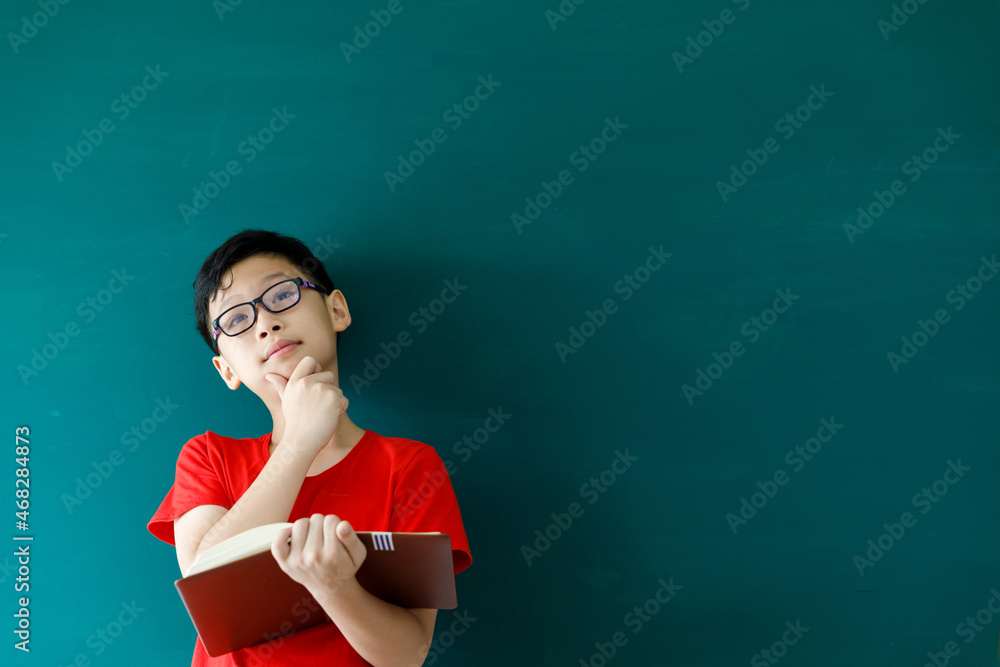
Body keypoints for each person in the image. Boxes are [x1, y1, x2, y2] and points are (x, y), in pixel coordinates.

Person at [147, 229, 472, 666]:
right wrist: (300, 441)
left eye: (281, 295)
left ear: (336, 309)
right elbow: (206, 582)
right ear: (226, 370)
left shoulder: (410, 466)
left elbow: (407, 655)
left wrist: (335, 585)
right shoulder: (209, 457)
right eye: (236, 321)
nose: (265, 323)